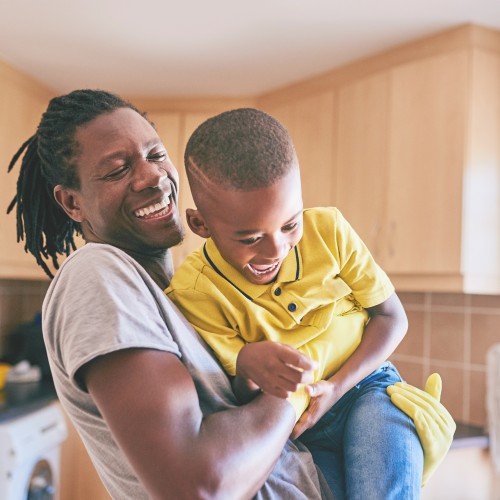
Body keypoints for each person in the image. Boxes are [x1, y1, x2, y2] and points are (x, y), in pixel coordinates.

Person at [6, 90, 454, 500]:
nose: (150, 177)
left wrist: (377, 424)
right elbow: (200, 486)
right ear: (72, 202)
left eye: (156, 154)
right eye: (118, 169)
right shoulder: (97, 275)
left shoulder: (179, 292)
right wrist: (311, 368)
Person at [166, 108, 456, 499]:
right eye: (250, 238)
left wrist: (335, 388)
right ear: (200, 225)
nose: (277, 249)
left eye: (289, 225)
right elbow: (234, 394)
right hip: (298, 428)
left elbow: (390, 317)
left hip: (367, 388)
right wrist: (248, 363)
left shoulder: (330, 230)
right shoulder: (195, 291)